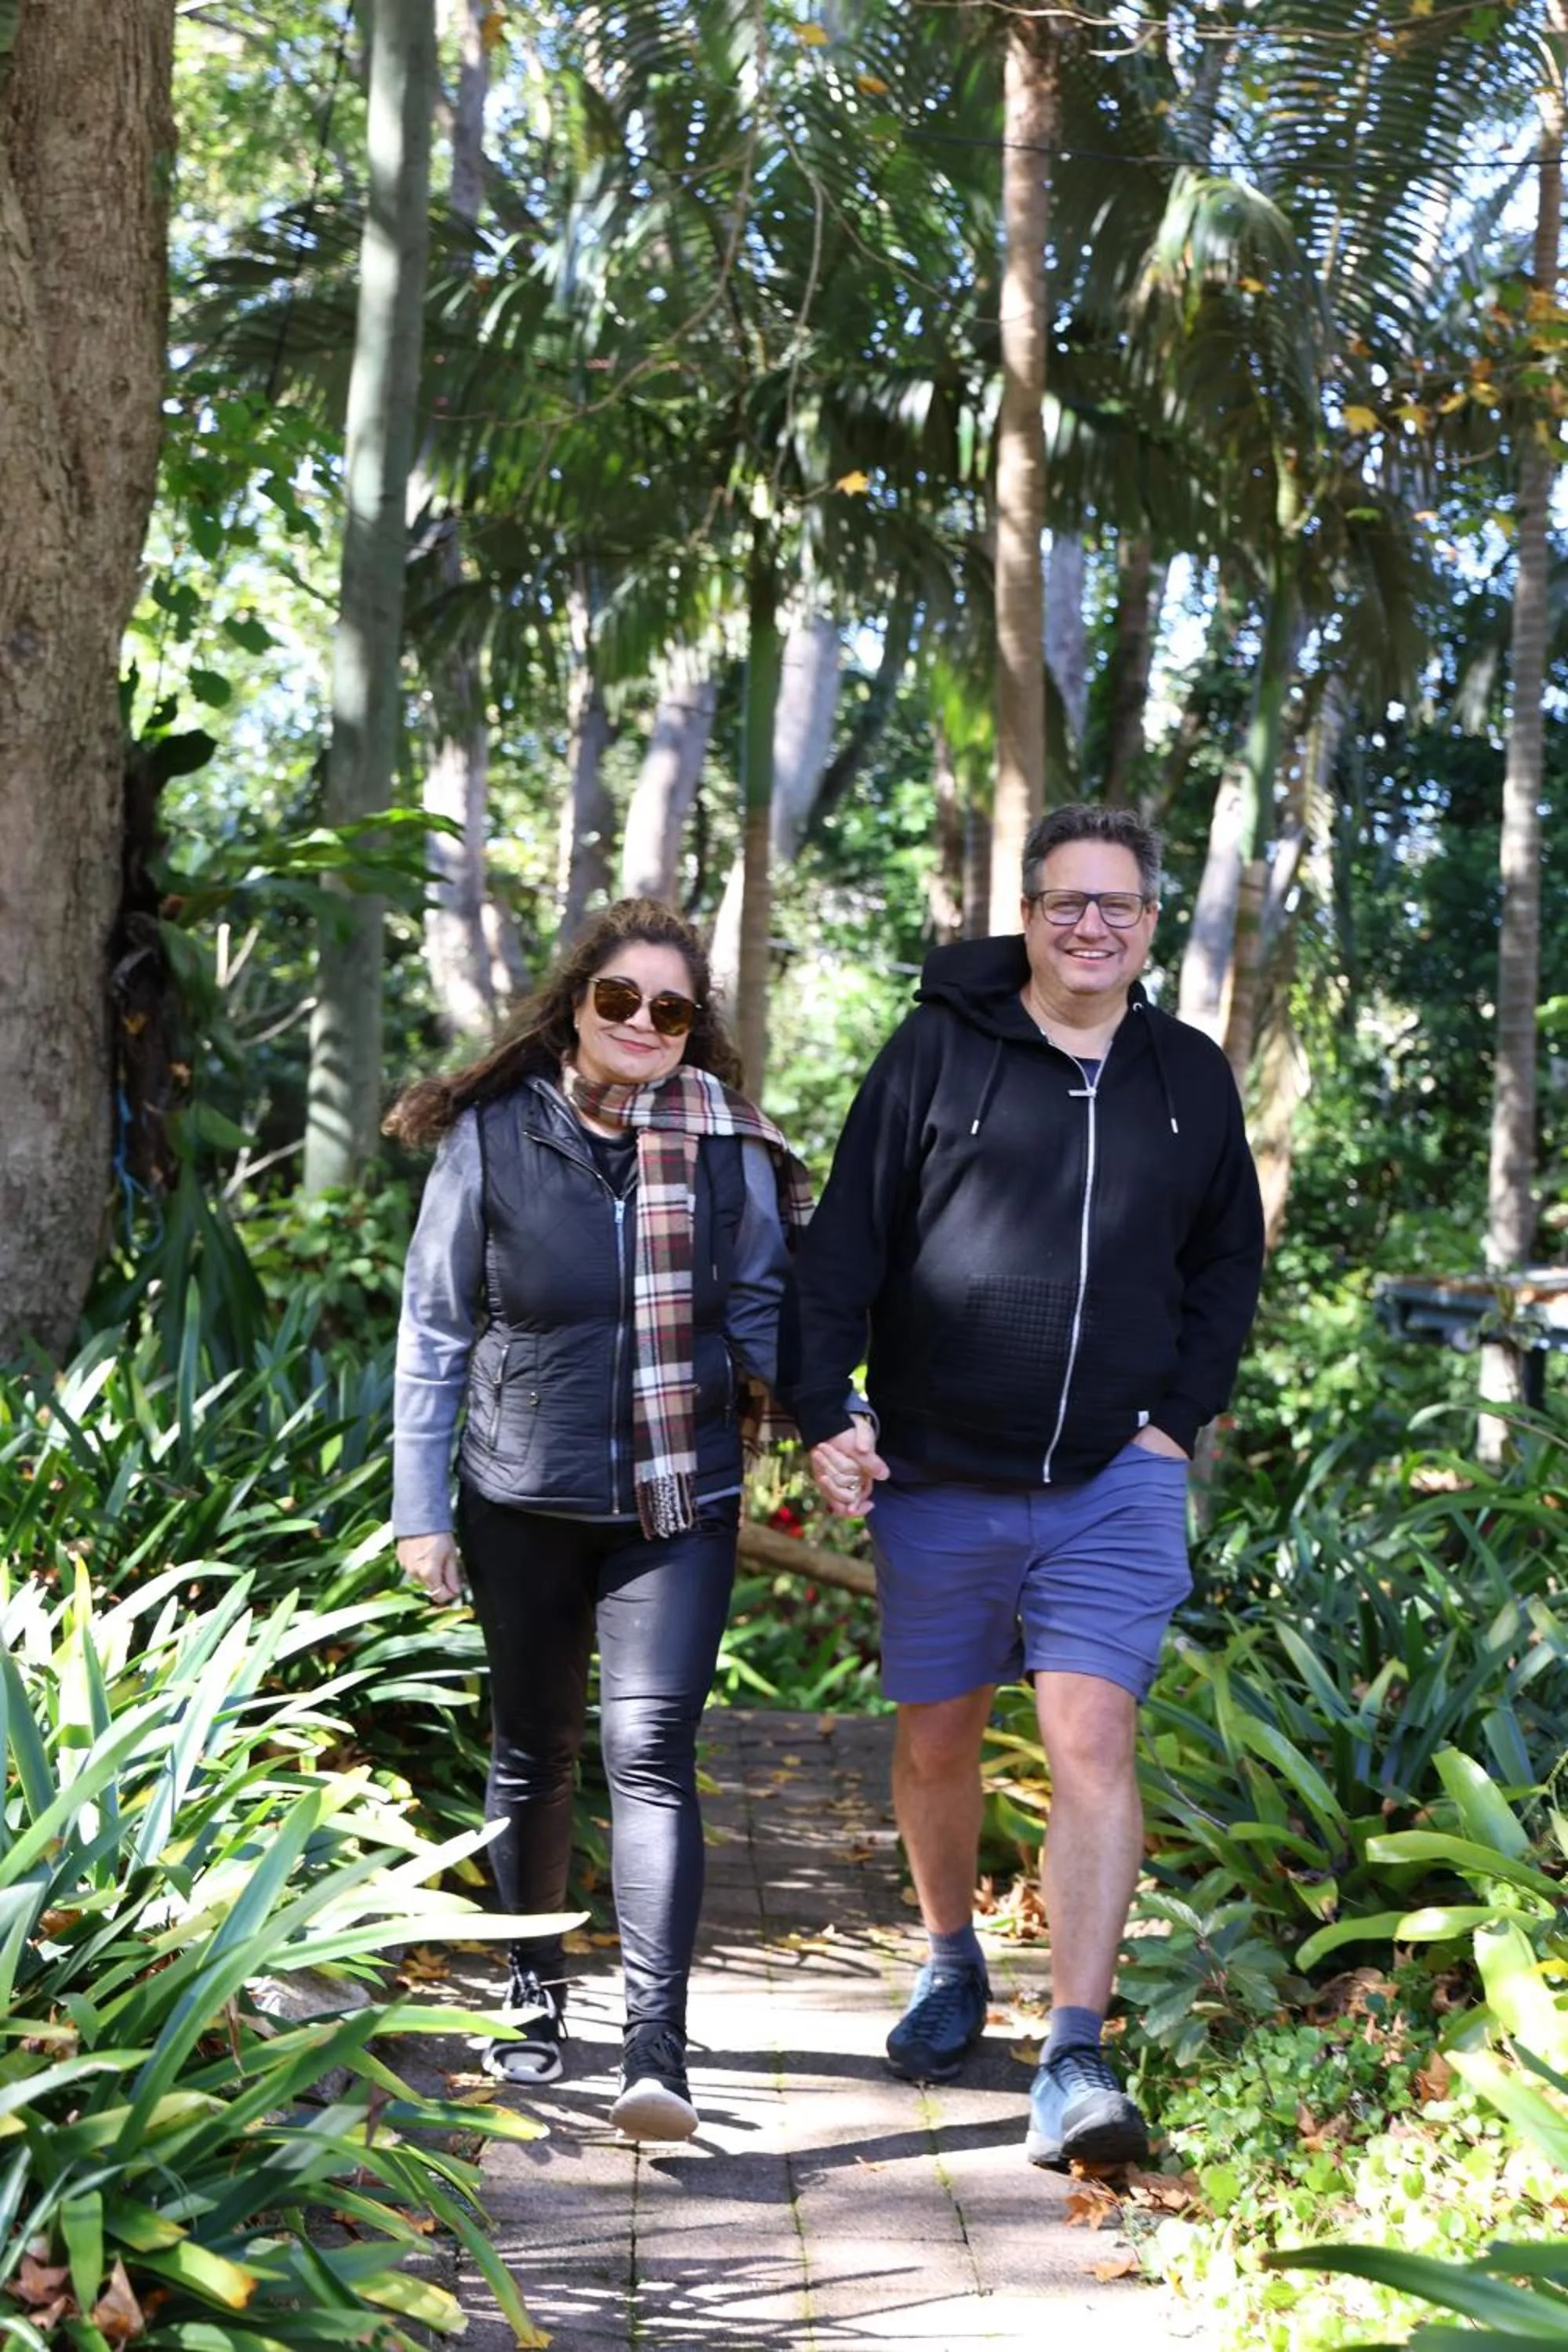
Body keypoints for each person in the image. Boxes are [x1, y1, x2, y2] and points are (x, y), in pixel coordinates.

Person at [777, 804, 1264, 2169]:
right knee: (938, 1743)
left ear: (1150, 923)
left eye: (1116, 905)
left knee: (1092, 1741)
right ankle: (948, 1962)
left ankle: (1076, 2054)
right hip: (940, 1472)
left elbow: (1229, 1261)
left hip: (1117, 1477)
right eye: (1065, 903)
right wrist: (827, 1410)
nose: (1089, 926)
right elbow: (845, 1242)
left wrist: (1180, 1417)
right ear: (1029, 912)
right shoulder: (941, 1050)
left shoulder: (1188, 1075)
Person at [387, 898, 808, 2143]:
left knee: (650, 1750)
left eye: (667, 1009)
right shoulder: (494, 1136)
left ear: (694, 1030)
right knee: (533, 1749)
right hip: (520, 1490)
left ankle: (655, 2050)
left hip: (678, 1494)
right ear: (576, 1002)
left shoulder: (729, 1146)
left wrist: (843, 1422)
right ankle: (530, 1991)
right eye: (618, 999)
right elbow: (434, 1328)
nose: (640, 1023)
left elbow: (775, 1315)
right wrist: (423, 1511)